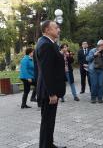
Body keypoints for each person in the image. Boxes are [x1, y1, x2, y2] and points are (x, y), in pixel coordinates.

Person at [35, 20, 66, 148]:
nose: (58, 30)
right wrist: (52, 93)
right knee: (47, 122)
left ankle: (49, 144)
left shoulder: (48, 43)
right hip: (49, 93)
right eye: (55, 27)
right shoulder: (46, 45)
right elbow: (46, 71)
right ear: (47, 30)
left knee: (49, 121)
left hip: (49, 90)